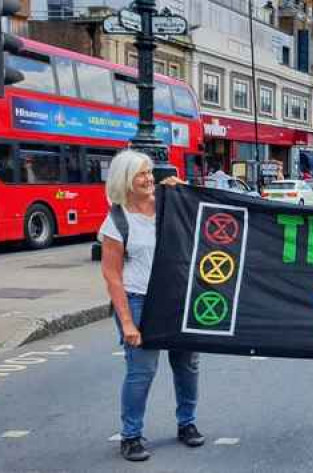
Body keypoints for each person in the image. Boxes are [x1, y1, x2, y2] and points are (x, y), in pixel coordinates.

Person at [99, 150, 204, 462]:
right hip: (138, 300)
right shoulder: (116, 220)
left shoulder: (170, 204)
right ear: (125, 180)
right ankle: (131, 436)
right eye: (140, 174)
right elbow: (112, 275)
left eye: (149, 172)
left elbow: (204, 220)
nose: (147, 179)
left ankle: (187, 424)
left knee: (187, 366)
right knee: (141, 371)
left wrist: (184, 190)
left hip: (177, 298)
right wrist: (128, 323)